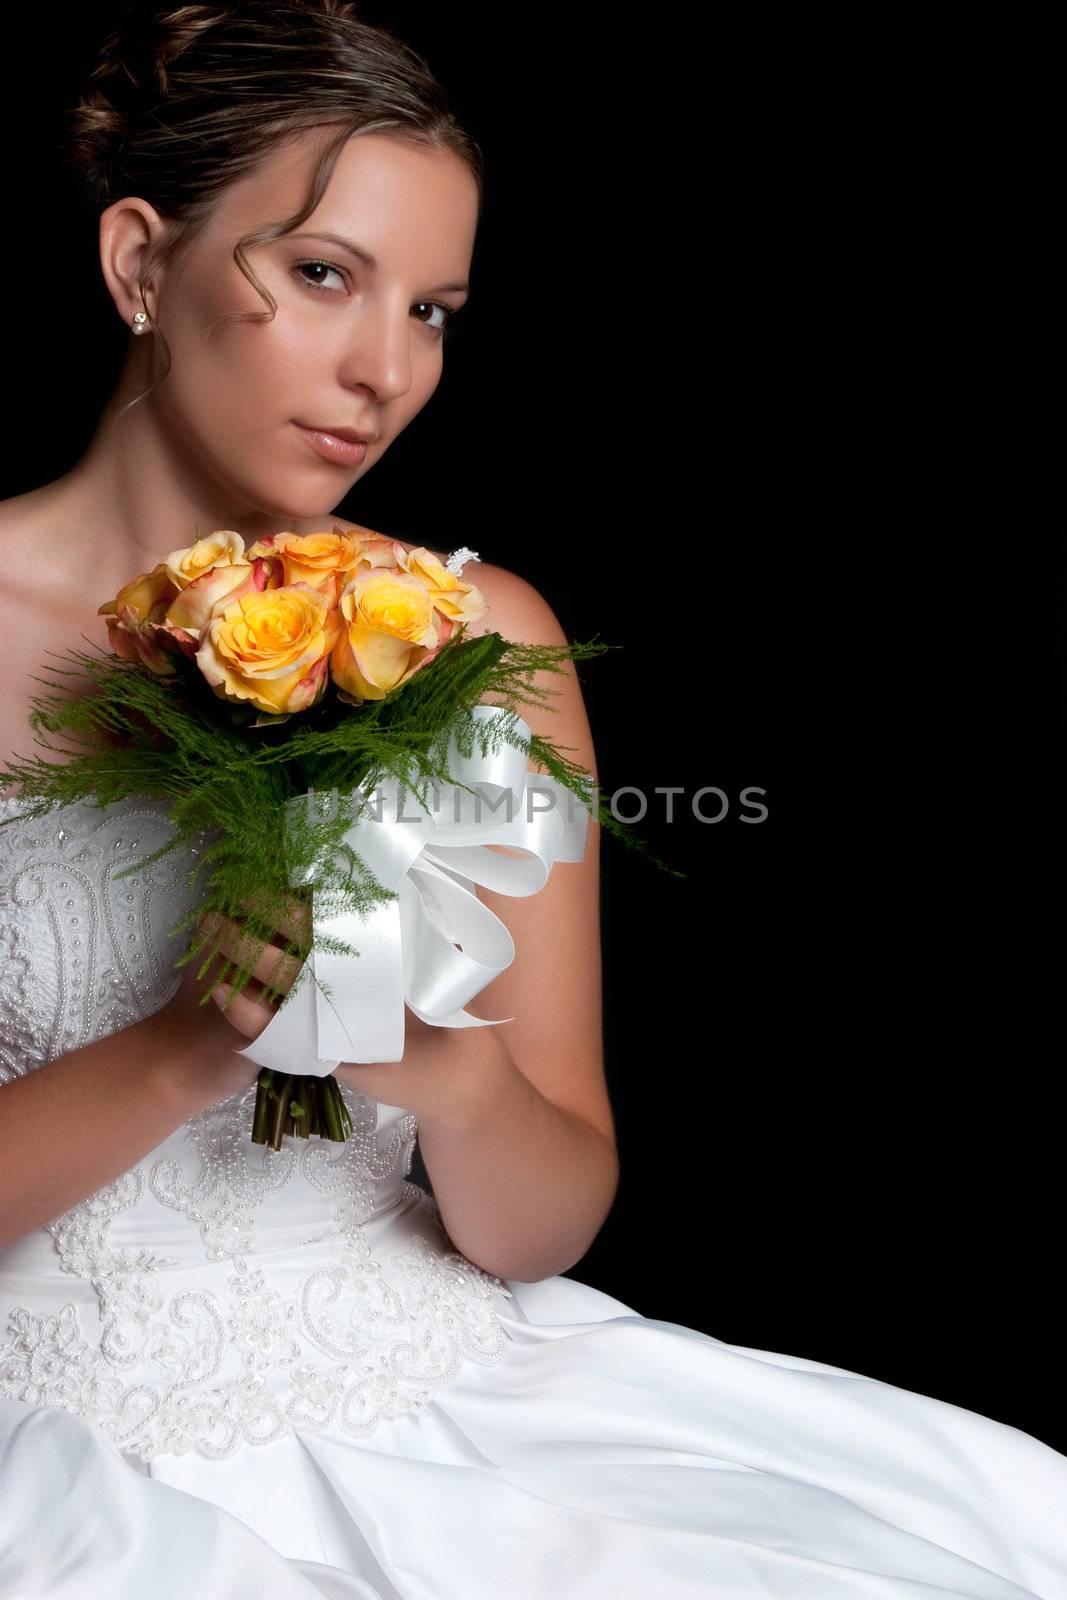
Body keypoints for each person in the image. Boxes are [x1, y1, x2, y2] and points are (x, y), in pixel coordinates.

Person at [0, 6, 1063, 1597]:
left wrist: (454, 1079)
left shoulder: (478, 632)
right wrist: (186, 1050)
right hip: (63, 1444)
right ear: (141, 263)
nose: (385, 370)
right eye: (320, 276)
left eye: (432, 309)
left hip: (445, 1400)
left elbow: (548, 1216)